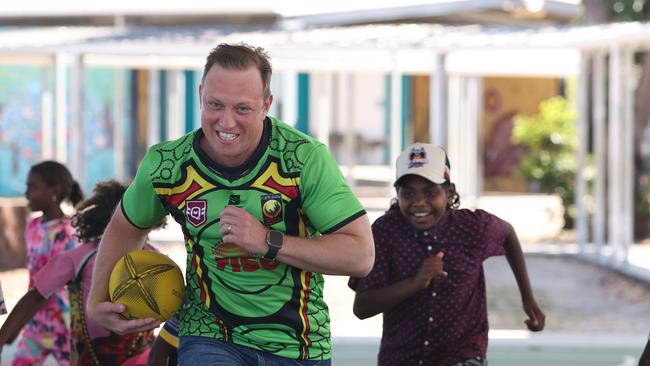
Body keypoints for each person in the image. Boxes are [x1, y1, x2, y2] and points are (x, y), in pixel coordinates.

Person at [87, 42, 374, 365]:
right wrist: (96, 299)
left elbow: (360, 255)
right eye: (215, 104)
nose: (226, 122)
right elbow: (127, 226)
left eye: (242, 109)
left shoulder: (303, 159)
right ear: (200, 95)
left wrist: (268, 241)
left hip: (297, 344)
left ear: (266, 104)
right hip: (209, 335)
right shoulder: (167, 165)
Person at [348, 143, 546, 366]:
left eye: (430, 192)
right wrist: (415, 283)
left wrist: (528, 298)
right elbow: (362, 307)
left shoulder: (474, 227)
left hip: (462, 355)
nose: (419, 202)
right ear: (397, 194)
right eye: (409, 193)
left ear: (449, 193)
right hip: (401, 357)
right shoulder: (385, 232)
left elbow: (508, 233)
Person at [0, 180, 162, 366]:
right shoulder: (80, 258)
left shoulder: (154, 259)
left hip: (133, 357)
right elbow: (35, 296)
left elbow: (35, 297)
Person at [11, 161, 84, 365]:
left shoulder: (68, 232)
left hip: (64, 323)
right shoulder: (32, 226)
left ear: (54, 191)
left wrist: (15, 323)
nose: (26, 193)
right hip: (35, 322)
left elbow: (54, 283)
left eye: (32, 187)